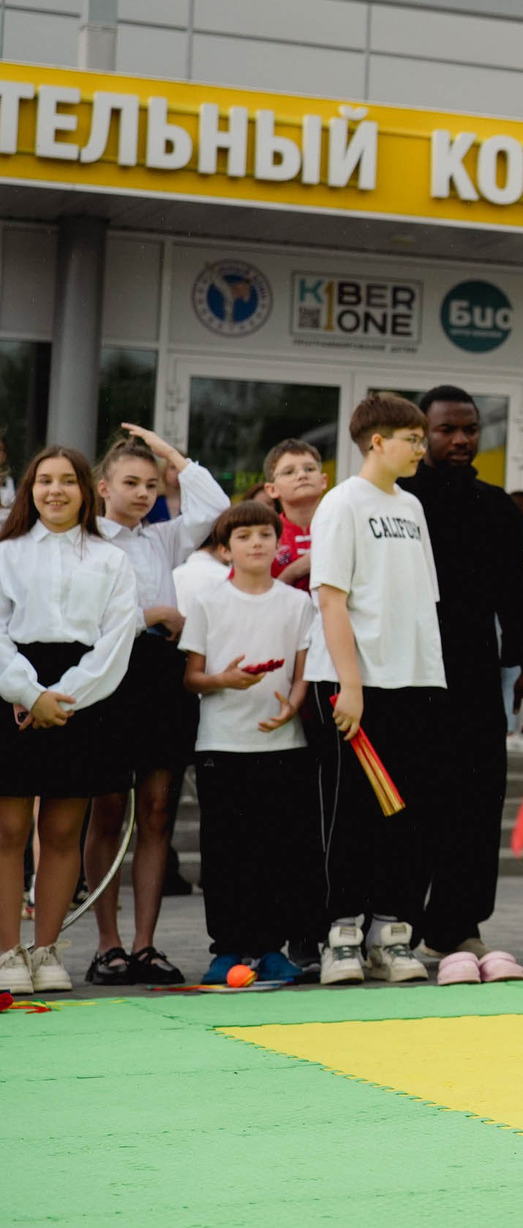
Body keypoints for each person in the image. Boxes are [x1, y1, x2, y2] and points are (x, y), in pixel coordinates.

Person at [306, 393, 445, 987]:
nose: (422, 448)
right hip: (354, 682)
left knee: (405, 817)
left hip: (414, 678)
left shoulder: (412, 505)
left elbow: (420, 601)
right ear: (376, 442)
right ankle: (340, 935)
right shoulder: (342, 504)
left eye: (422, 438)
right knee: (353, 816)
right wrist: (352, 686)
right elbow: (331, 597)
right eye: (411, 439)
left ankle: (391, 934)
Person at [407, 387, 523, 977]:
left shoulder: (497, 509)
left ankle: (460, 929)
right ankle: (398, 928)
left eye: (470, 429)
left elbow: (516, 596)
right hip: (406, 674)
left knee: (478, 803)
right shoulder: (397, 502)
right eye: (446, 431)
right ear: (422, 436)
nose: (460, 440)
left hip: (474, 672)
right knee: (415, 804)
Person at [85, 423, 225, 987]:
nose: (143, 494)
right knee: (109, 809)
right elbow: (81, 621)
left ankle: (145, 944)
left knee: (158, 810)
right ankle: (107, 944)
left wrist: (171, 455)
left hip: (161, 678)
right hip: (109, 674)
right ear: (102, 486)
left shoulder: (161, 538)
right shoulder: (83, 542)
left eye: (151, 485)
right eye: (131, 482)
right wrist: (153, 615)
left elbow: (214, 506)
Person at [0, 447, 141, 995]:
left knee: (61, 830)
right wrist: (29, 693)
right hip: (14, 689)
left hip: (83, 693)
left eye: (66, 481)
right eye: (43, 481)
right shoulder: (7, 554)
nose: (54, 490)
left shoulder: (111, 560)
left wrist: (66, 697)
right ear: (29, 490)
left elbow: (115, 638)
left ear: (86, 489)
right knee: (8, 829)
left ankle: (47, 951)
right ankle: (8, 952)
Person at [179, 499, 320, 985]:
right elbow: (192, 677)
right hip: (221, 744)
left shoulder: (298, 603)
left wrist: (292, 705)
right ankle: (227, 948)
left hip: (285, 745)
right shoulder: (207, 603)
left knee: (279, 850)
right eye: (243, 536)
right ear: (224, 548)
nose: (256, 543)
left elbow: (303, 672)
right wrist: (224, 679)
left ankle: (271, 947)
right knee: (225, 853)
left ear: (279, 543)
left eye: (264, 534)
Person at [259, 438, 328, 588]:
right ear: (272, 489)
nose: (302, 475)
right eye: (289, 472)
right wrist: (294, 572)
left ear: (324, 481)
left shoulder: (341, 526)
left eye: (310, 469)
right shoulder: (263, 534)